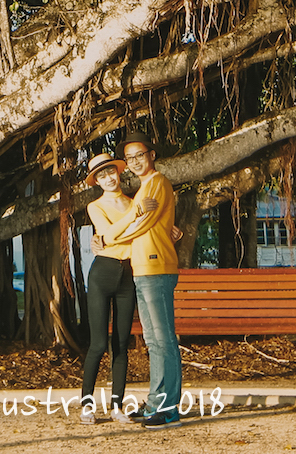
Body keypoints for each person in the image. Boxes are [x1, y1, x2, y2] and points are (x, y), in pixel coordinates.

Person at [103, 135, 181, 427]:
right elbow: (142, 222)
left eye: (140, 155)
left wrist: (107, 237)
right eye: (130, 158)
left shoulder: (158, 183)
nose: (135, 161)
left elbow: (142, 225)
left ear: (152, 154)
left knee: (163, 339)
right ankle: (155, 402)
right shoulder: (143, 190)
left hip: (157, 267)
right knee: (153, 340)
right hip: (143, 269)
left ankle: (168, 408)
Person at [78, 152, 136, 423]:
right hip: (103, 273)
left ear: (119, 172)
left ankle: (117, 406)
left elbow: (134, 234)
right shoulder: (95, 206)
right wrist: (135, 220)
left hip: (128, 274)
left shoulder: (134, 202)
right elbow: (109, 235)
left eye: (111, 172)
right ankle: (86, 405)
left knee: (121, 344)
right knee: (98, 344)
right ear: (97, 181)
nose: (109, 178)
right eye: (102, 175)